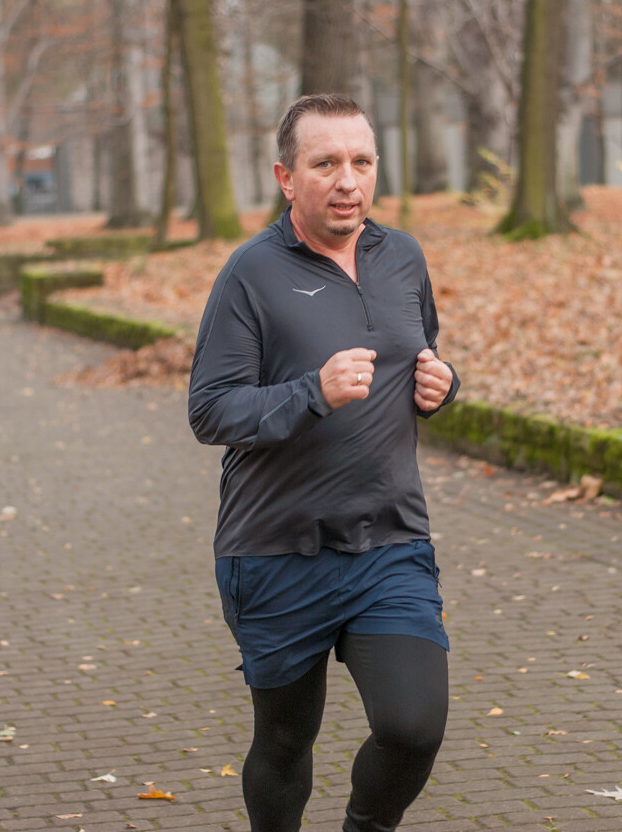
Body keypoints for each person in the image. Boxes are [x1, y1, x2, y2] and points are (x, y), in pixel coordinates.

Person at [188, 94, 459, 832]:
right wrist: (313, 392)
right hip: (276, 550)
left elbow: (418, 354)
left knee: (413, 725)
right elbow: (211, 410)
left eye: (362, 161)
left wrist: (442, 386)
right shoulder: (251, 274)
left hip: (389, 540)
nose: (348, 180)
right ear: (286, 176)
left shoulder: (401, 256)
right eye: (326, 163)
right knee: (284, 739)